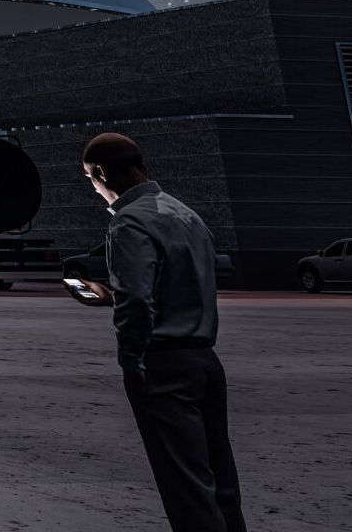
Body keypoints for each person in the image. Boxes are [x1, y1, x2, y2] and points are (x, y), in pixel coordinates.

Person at [82, 132, 246, 532]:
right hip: (205, 359)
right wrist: (112, 296)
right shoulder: (187, 215)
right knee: (220, 480)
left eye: (90, 178)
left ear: (101, 172)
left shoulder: (128, 223)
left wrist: (132, 361)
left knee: (186, 486)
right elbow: (180, 285)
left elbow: (138, 301)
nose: (94, 187)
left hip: (163, 364)